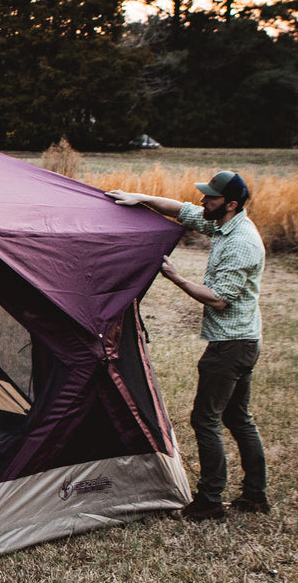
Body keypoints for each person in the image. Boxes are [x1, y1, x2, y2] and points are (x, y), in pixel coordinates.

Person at [108, 171, 268, 520]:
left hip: (231, 346)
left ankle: (210, 501)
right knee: (237, 417)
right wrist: (141, 198)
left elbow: (219, 299)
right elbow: (182, 211)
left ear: (231, 204)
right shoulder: (223, 223)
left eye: (211, 197)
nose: (203, 201)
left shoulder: (241, 243)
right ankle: (255, 495)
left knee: (205, 419)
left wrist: (177, 278)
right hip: (243, 340)